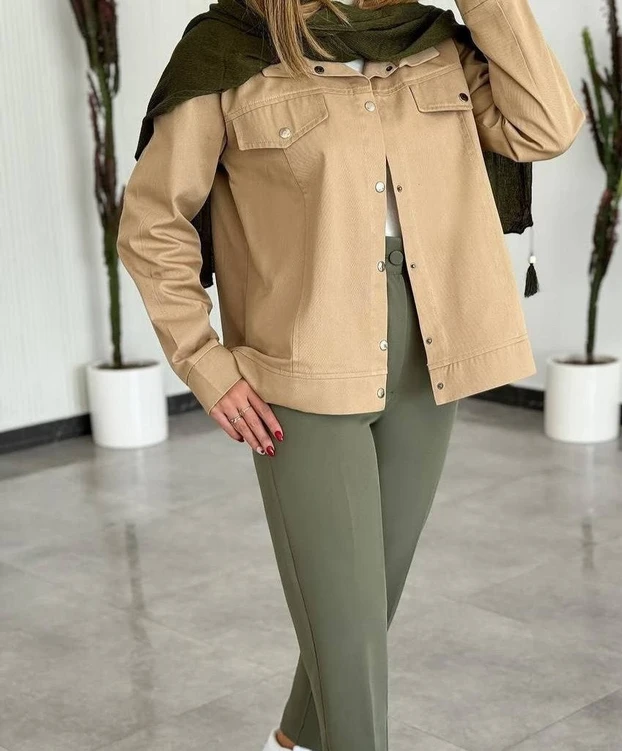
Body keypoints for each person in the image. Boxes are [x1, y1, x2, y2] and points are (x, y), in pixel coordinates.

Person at [116, 1, 584, 749]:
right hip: (303, 364)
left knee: (367, 603)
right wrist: (204, 362)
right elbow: (152, 222)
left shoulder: (435, 43)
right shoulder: (230, 52)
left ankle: (293, 743)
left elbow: (547, 127)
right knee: (345, 617)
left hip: (430, 350)